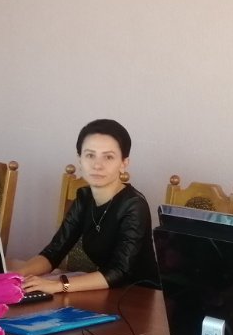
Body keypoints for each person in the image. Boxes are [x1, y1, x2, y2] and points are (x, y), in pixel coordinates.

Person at [13, 119, 158, 296]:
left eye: (108, 157)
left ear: (123, 163)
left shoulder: (134, 205)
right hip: (106, 292)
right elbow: (53, 252)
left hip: (141, 296)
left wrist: (59, 285)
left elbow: (119, 271)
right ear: (80, 160)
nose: (97, 165)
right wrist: (16, 276)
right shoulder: (84, 198)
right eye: (90, 155)